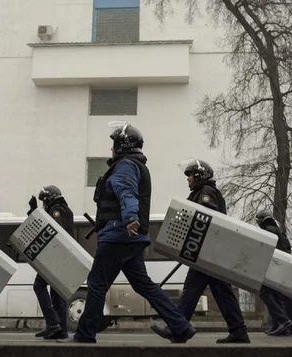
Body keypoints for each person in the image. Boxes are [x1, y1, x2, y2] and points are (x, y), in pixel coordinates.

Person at [62, 122, 196, 343]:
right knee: (144, 284)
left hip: (117, 236)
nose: (111, 149)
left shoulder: (125, 165)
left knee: (96, 285)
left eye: (114, 144)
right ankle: (180, 326)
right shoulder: (137, 165)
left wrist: (130, 218)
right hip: (131, 239)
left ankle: (84, 334)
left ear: (122, 145)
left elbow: (126, 191)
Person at [151, 159, 250, 343]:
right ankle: (238, 330)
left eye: (189, 175)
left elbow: (206, 215)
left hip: (206, 252)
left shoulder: (206, 193)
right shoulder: (202, 192)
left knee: (191, 289)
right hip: (209, 252)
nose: (188, 179)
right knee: (222, 292)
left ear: (198, 175)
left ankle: (178, 328)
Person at [29, 185, 74, 340]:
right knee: (57, 294)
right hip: (62, 257)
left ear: (50, 197)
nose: (44, 204)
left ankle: (52, 323)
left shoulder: (56, 209)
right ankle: (61, 330)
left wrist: (35, 213)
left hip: (54, 256)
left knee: (38, 286)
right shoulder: (64, 209)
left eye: (44, 200)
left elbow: (53, 230)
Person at [255, 211, 292, 337]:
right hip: (280, 267)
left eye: (258, 220)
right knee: (277, 296)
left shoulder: (269, 230)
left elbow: (267, 250)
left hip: (272, 266)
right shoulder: (276, 229)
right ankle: (282, 325)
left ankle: (283, 321)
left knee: (265, 293)